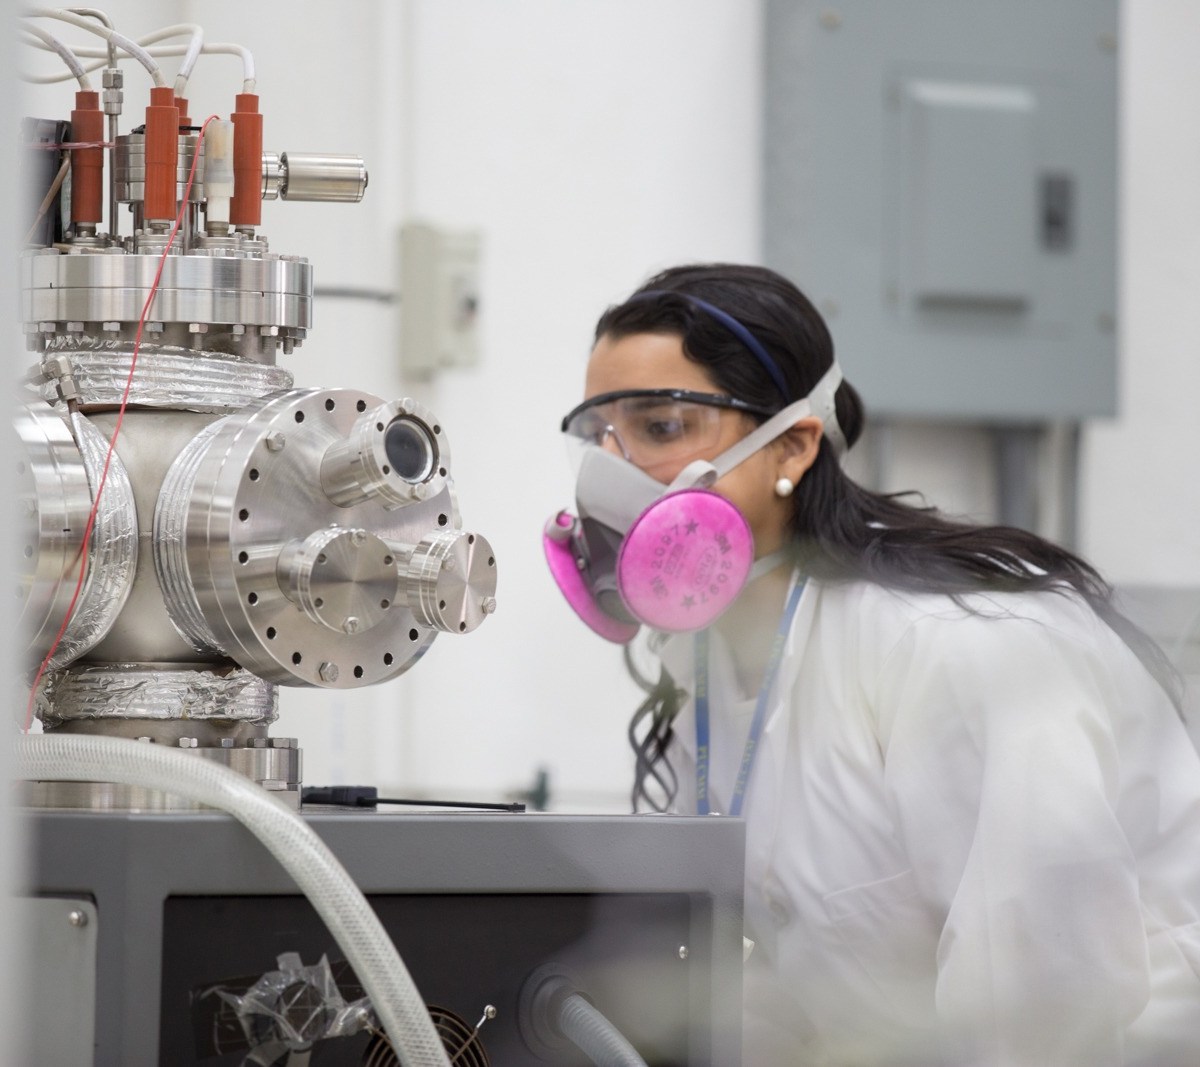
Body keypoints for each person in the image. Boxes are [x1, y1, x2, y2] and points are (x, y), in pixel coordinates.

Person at [544, 263, 1200, 1065]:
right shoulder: (707, 665)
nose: (609, 474)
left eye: (661, 426)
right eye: (597, 435)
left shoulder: (956, 646)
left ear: (791, 446)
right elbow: (780, 982)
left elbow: (1045, 1005)